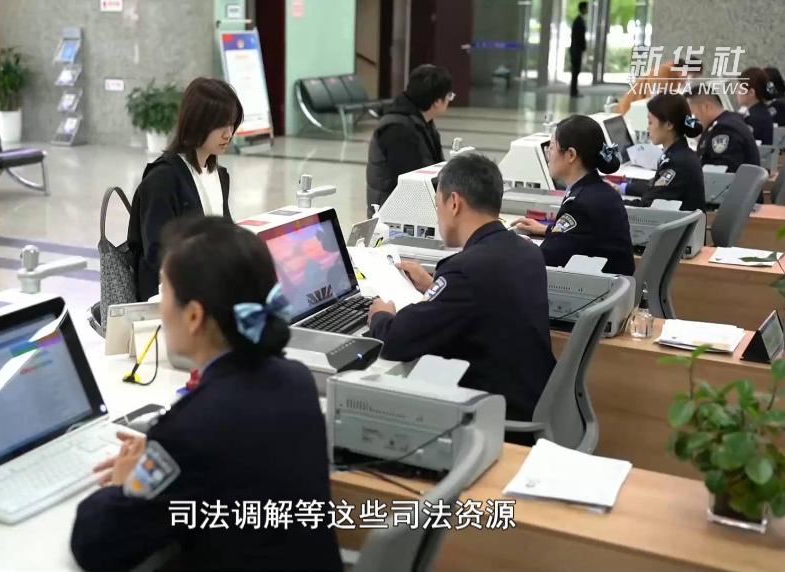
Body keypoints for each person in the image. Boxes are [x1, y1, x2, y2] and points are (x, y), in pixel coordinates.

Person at [71, 217, 342, 571]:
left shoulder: (189, 431)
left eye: (164, 292)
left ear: (194, 315)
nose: (160, 306)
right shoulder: (297, 381)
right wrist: (159, 455)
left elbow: (95, 543)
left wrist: (125, 483)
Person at [367, 153, 555, 432]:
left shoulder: (465, 271)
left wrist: (382, 316)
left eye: (438, 204)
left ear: (454, 203)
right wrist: (434, 286)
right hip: (532, 402)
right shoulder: (527, 250)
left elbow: (397, 341)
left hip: (496, 422)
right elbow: (488, 300)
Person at [127, 78, 243, 301]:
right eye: (220, 125)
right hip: (170, 300)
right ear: (197, 123)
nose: (228, 134)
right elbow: (158, 253)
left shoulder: (219, 175)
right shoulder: (163, 179)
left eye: (232, 124)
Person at [511, 115, 636, 276]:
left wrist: (518, 245)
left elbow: (545, 258)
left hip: (592, 290)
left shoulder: (579, 205)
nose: (549, 155)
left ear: (571, 154)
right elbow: (582, 237)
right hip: (614, 287)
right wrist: (548, 230)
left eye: (551, 148)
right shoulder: (603, 191)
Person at [366, 64, 452, 216]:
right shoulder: (397, 130)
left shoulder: (422, 122)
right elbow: (412, 184)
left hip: (413, 209)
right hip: (393, 216)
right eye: (449, 96)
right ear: (437, 101)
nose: (450, 100)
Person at [617, 94, 705, 211]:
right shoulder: (680, 154)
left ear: (669, 125)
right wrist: (620, 188)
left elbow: (647, 206)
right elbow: (655, 189)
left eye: (650, 122)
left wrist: (611, 202)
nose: (648, 128)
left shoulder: (677, 163)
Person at [687, 82, 760, 173]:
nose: (694, 118)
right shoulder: (730, 120)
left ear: (706, 107)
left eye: (693, 113)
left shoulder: (724, 131)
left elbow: (721, 175)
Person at [738, 67, 775, 146]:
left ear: (751, 93)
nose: (736, 92)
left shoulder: (751, 119)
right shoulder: (763, 112)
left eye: (740, 89)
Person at [569, 2, 588, 98]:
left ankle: (574, 90)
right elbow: (579, 37)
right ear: (583, 9)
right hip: (576, 49)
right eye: (586, 8)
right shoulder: (579, 21)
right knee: (575, 71)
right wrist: (583, 46)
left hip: (576, 49)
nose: (587, 10)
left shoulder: (579, 20)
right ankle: (573, 91)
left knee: (576, 71)